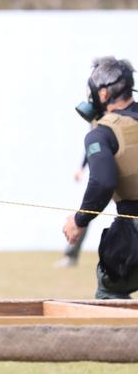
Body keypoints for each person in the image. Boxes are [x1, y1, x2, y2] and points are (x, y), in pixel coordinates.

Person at [62, 57, 138, 298]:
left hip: (133, 229)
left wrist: (79, 220)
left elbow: (103, 182)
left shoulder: (101, 133)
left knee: (110, 293)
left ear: (103, 94)